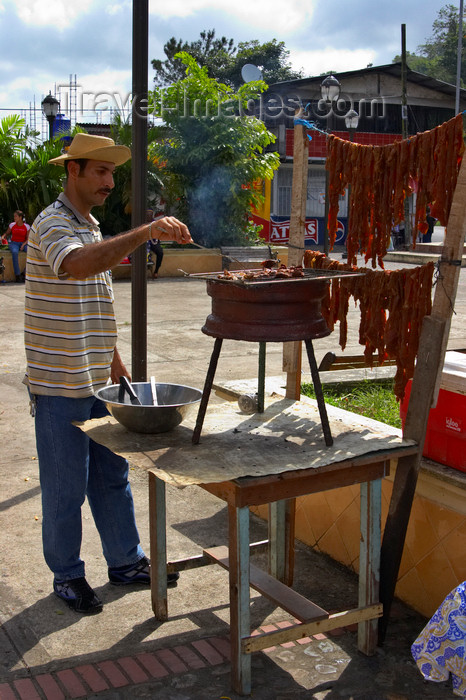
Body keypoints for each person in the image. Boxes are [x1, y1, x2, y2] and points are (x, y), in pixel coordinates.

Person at [24, 133, 193, 614]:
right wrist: (145, 231)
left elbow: (95, 311)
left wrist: (117, 372)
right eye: (99, 171)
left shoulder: (93, 226)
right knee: (65, 488)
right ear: (72, 170)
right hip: (59, 384)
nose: (109, 181)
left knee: (111, 475)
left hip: (97, 380)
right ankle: (67, 575)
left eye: (112, 173)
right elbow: (74, 267)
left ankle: (125, 561)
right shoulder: (53, 223)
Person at [4, 210, 30, 282]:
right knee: (15, 252)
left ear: (20, 217)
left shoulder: (26, 226)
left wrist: (23, 245)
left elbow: (28, 239)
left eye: (16, 216)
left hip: (23, 243)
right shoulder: (12, 225)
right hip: (14, 243)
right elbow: (7, 233)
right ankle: (17, 275)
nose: (14, 217)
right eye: (14, 216)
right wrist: (3, 237)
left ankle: (25, 271)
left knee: (30, 252)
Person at [146, 209, 164, 278]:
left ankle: (156, 271)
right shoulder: (142, 223)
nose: (149, 216)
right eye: (147, 214)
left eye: (150, 215)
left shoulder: (155, 223)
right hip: (144, 243)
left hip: (153, 242)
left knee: (160, 253)